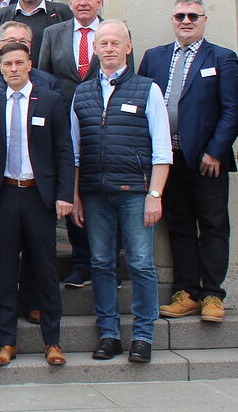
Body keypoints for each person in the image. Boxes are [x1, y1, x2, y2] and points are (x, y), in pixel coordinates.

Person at [69, 20, 170, 364]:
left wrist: (154, 195)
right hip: (95, 193)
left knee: (141, 263)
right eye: (103, 43)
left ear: (128, 47)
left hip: (135, 193)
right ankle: (109, 333)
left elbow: (162, 149)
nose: (109, 48)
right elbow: (75, 151)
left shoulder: (147, 89)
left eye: (116, 43)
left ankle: (143, 335)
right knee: (101, 263)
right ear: (94, 49)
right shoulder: (81, 93)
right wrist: (76, 194)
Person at [141, 0, 238, 323]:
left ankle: (212, 293)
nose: (186, 21)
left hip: (206, 160)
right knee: (180, 226)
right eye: (180, 15)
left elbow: (232, 110)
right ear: (172, 19)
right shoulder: (154, 57)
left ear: (203, 20)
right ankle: (186, 292)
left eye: (193, 16)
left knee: (213, 225)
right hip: (169, 159)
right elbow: (144, 104)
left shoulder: (222, 58)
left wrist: (216, 150)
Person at [0, 42, 73, 367]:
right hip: (3, 194)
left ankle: (53, 342)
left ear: (29, 64)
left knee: (45, 269)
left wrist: (64, 194)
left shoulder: (51, 100)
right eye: (7, 64)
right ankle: (6, 343)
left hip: (39, 195)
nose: (14, 69)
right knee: (3, 270)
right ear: (0, 69)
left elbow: (63, 150)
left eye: (19, 63)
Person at [36, 0, 112, 288]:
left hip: (102, 126)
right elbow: (42, 77)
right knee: (72, 189)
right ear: (70, 2)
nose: (83, 3)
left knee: (100, 192)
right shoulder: (55, 33)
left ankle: (104, 262)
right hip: (62, 123)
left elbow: (124, 73)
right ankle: (82, 263)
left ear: (99, 1)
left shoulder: (113, 33)